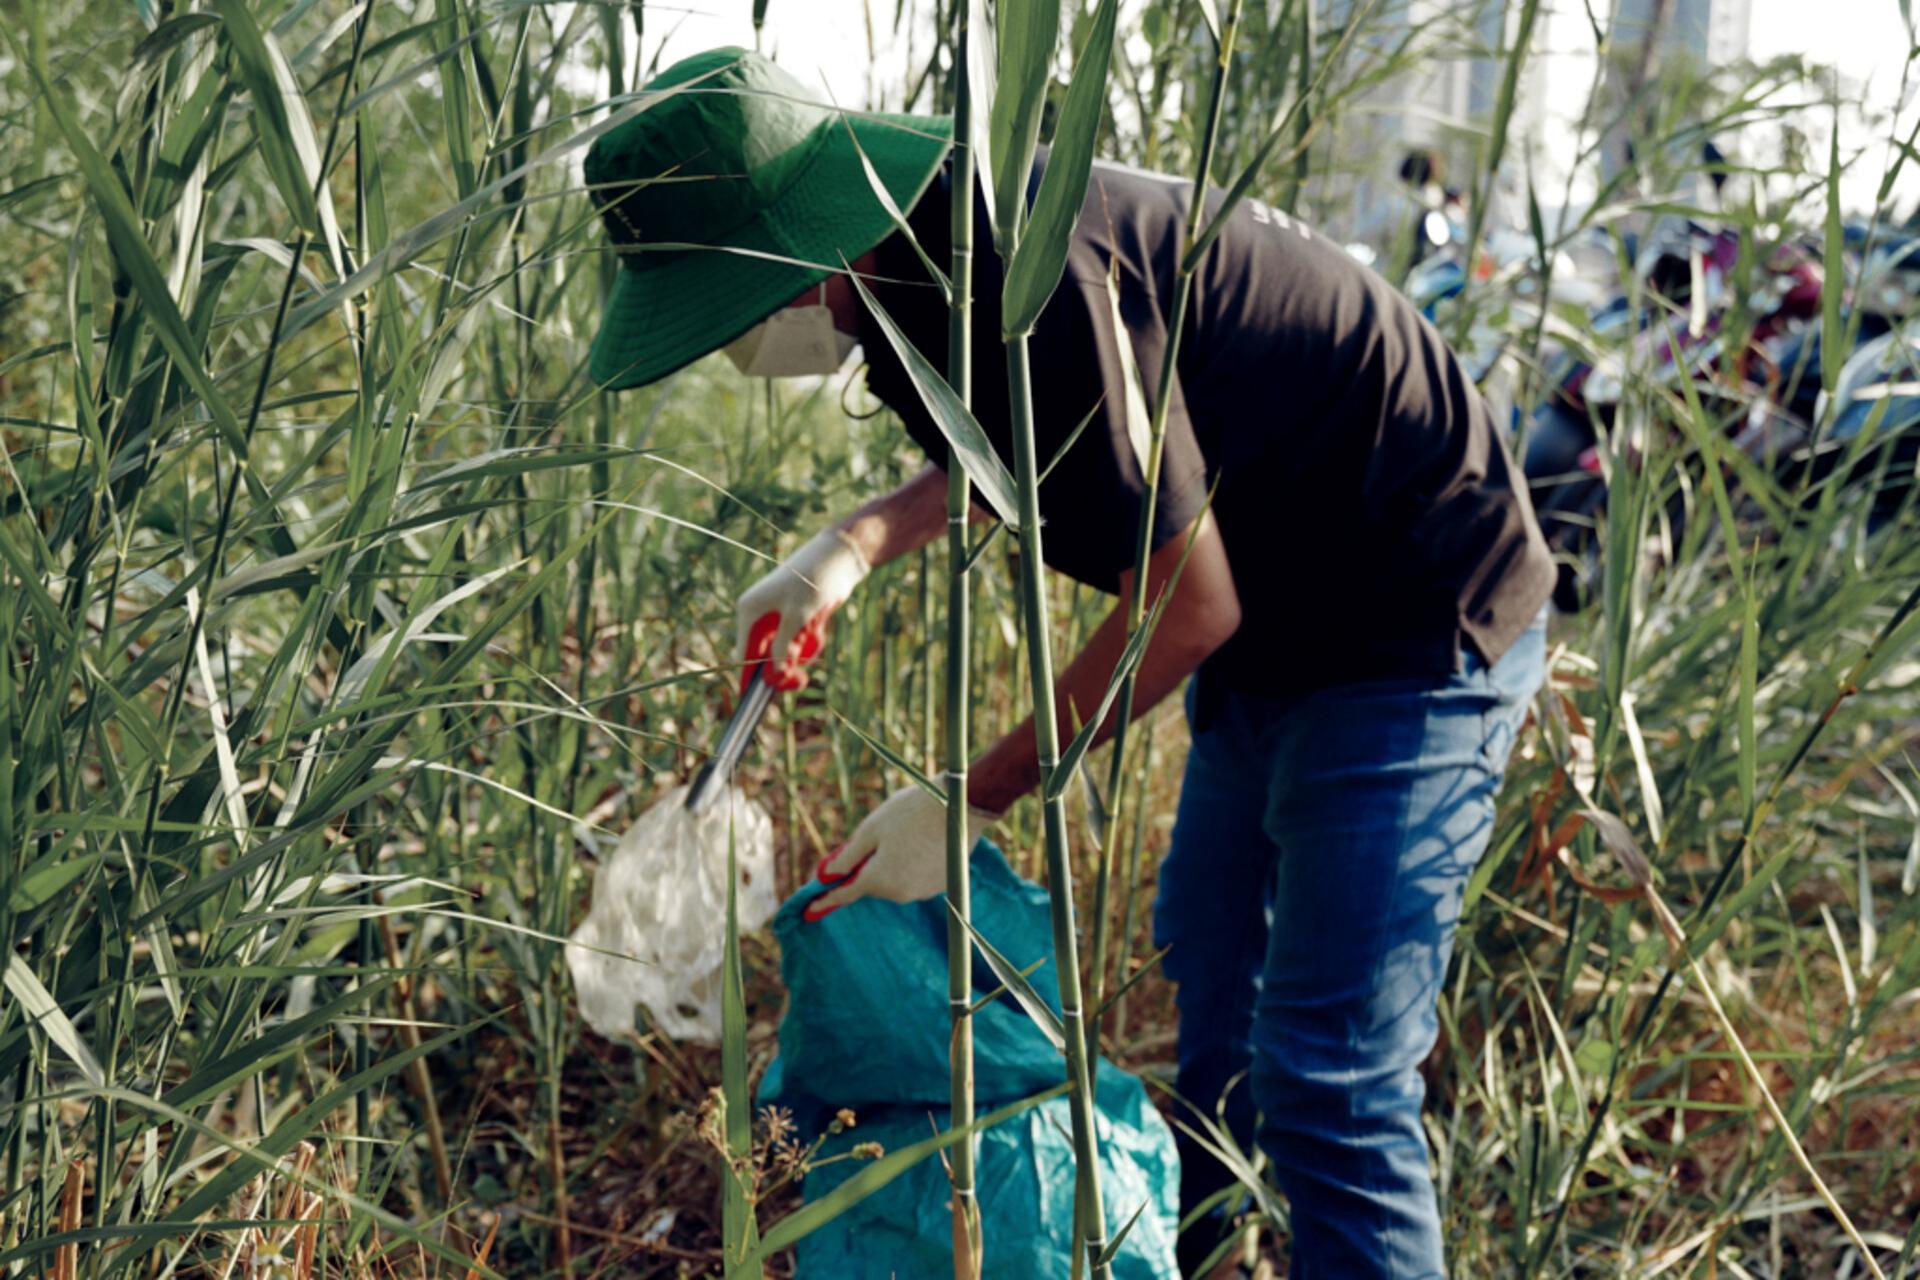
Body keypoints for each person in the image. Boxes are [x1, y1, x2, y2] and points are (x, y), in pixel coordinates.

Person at [586, 46, 1556, 1280]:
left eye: (730, 304)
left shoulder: (1017, 266)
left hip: (1412, 611)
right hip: (1279, 611)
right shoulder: (898, 280)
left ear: (801, 246)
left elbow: (1188, 603)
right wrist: (851, 544)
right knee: (1210, 965)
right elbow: (1033, 459)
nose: (733, 341)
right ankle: (1196, 1253)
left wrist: (976, 792)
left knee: (1328, 1067)